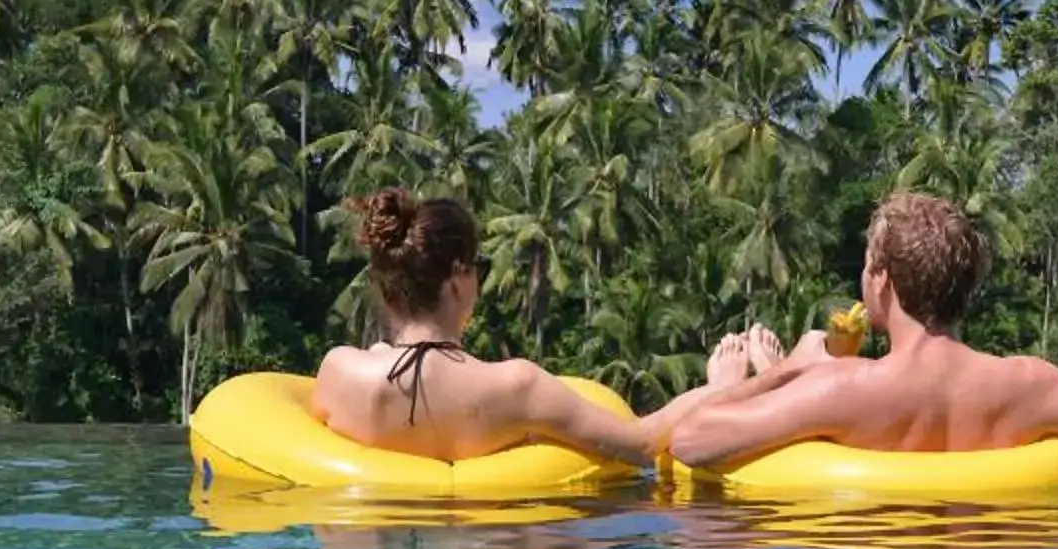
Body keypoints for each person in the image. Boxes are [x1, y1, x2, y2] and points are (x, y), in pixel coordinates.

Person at [667, 191, 1058, 477]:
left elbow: (689, 441)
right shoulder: (1035, 385)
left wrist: (787, 371)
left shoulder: (844, 387)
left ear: (883, 281)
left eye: (869, 266)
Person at [312, 188, 755, 465]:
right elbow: (641, 444)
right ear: (458, 277)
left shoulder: (338, 372)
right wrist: (720, 386)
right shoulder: (516, 386)